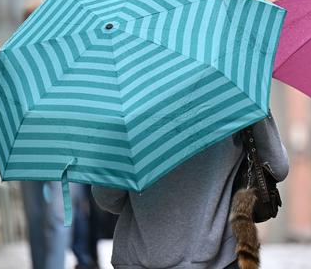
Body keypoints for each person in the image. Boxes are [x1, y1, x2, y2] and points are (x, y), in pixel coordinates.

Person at [92, 115, 289, 269]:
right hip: (219, 255)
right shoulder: (234, 92)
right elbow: (278, 167)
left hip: (139, 256)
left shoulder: (129, 106)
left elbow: (107, 197)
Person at [19, 0, 71, 269]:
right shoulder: (16, 58)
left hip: (62, 144)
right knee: (35, 215)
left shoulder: (67, 53)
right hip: (29, 145)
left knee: (57, 216)